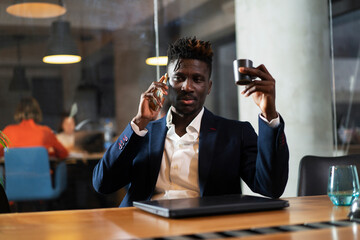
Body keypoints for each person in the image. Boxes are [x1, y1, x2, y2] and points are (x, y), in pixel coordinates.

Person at [93, 36, 289, 207]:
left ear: (209, 86)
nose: (188, 86)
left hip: (205, 228)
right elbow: (103, 184)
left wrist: (270, 113)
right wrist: (139, 121)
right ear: (165, 83)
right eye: (179, 78)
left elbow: (271, 188)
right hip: (144, 228)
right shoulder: (143, 133)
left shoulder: (235, 134)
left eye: (197, 79)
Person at [0, 97, 68, 159]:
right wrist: (47, 154)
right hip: (41, 172)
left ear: (18, 111)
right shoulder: (45, 131)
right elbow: (63, 153)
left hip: (13, 172)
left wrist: (9, 154)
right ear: (37, 112)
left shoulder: (8, 131)